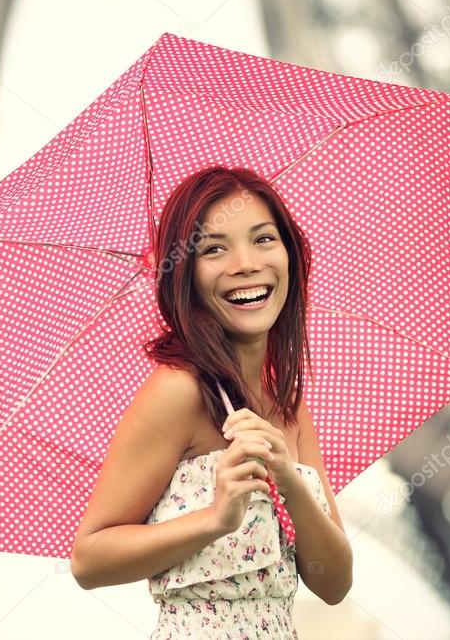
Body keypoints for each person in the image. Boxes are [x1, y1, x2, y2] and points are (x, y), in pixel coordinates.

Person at [70, 165, 352, 638]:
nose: (245, 263)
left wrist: (290, 481)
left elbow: (334, 583)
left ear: (290, 254)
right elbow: (88, 560)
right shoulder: (178, 392)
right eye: (214, 248)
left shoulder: (285, 399)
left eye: (264, 239)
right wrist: (215, 519)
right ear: (186, 276)